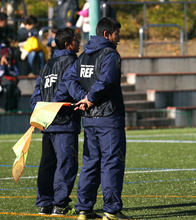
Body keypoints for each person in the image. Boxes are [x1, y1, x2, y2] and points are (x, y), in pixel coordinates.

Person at [58, 17, 131, 219]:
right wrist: (88, 98)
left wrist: (82, 97)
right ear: (107, 34)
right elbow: (106, 80)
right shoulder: (110, 54)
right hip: (109, 117)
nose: (119, 38)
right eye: (117, 34)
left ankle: (84, 209)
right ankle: (111, 209)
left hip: (89, 118)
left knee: (90, 163)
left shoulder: (82, 56)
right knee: (111, 162)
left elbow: (68, 78)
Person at [29, 28, 80, 216]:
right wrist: (54, 106)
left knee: (47, 164)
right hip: (64, 121)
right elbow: (69, 87)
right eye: (75, 39)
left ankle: (45, 203)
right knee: (66, 163)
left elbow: (37, 92)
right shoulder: (73, 62)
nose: (79, 41)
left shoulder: (48, 64)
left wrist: (41, 108)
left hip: (47, 121)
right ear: (68, 44)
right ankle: (60, 204)